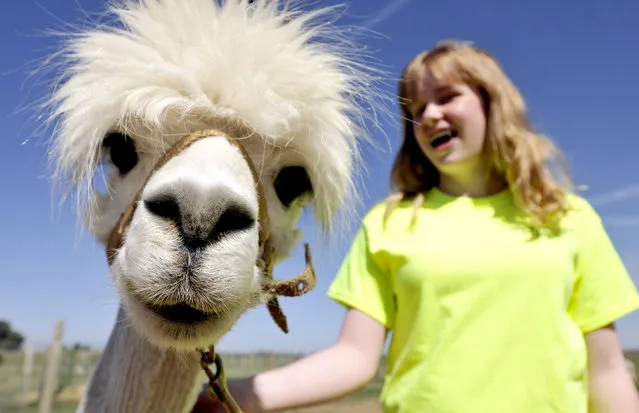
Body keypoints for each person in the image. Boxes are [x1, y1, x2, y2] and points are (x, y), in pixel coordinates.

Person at [192, 40, 639, 413]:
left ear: (491, 101)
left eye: (446, 97)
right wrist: (233, 396)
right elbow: (354, 358)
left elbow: (606, 371)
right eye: (417, 107)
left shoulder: (567, 217)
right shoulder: (390, 223)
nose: (428, 116)